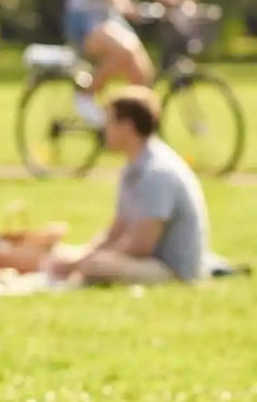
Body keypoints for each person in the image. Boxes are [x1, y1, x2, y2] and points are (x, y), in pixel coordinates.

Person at [47, 87, 210, 285]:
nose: (103, 128)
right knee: (61, 255)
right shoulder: (133, 169)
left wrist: (83, 262)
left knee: (96, 266)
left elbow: (141, 245)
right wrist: (83, 255)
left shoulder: (157, 173)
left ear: (127, 126)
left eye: (109, 121)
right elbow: (116, 230)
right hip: (147, 262)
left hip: (172, 271)